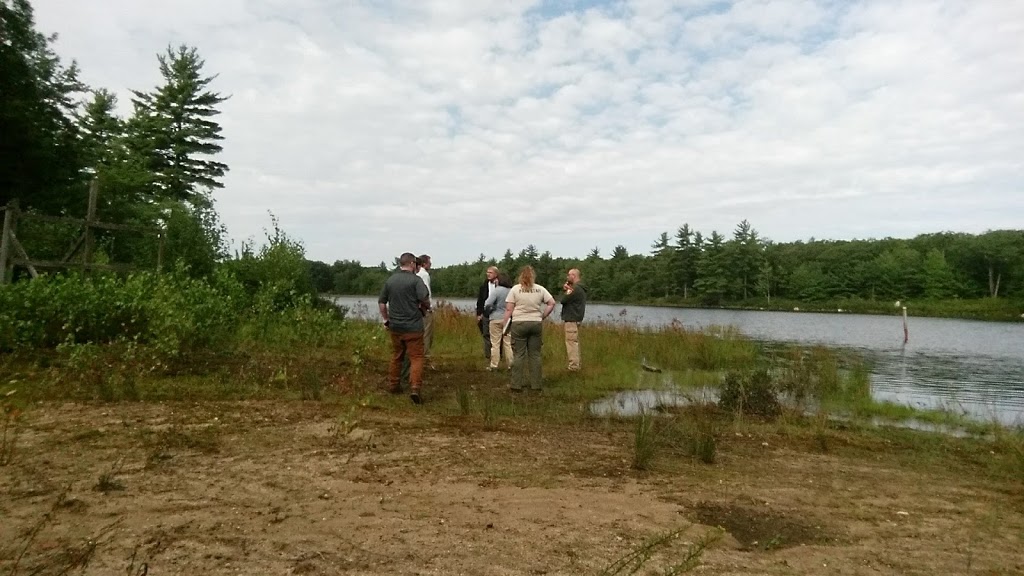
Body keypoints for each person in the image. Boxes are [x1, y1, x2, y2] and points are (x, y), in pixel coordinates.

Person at [378, 252, 431, 404]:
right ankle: (415, 388)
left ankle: (394, 384)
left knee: (397, 355)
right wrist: (425, 308)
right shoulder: (416, 280)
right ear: (413, 264)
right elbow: (424, 298)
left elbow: (382, 303)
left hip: (395, 326)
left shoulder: (390, 280)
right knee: (416, 357)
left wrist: (386, 320)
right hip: (413, 326)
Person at [502, 265, 555, 392]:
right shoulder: (540, 289)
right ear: (533, 276)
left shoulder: (515, 289)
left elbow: (509, 309)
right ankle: (536, 385)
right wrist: (543, 315)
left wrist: (504, 324)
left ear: (521, 276)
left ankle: (516, 384)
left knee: (519, 354)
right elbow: (551, 303)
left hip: (519, 323)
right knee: (535, 355)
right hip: (535, 323)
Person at [483, 272, 514, 371]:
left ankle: (494, 364)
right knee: (508, 343)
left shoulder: (497, 291)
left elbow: (487, 303)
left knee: (495, 343)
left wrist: (490, 310)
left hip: (495, 318)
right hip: (508, 319)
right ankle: (511, 364)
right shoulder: (512, 291)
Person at [560, 268, 587, 372]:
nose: (567, 277)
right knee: (574, 342)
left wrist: (567, 289)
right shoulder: (581, 288)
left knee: (571, 342)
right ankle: (577, 364)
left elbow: (563, 300)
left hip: (571, 319)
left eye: (569, 275)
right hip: (577, 318)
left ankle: (574, 367)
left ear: (574, 276)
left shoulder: (574, 289)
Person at [475, 266, 499, 361]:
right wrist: (479, 313)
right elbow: (480, 300)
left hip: (498, 314)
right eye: (487, 272)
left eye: (490, 272)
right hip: (486, 314)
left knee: (497, 336)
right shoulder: (484, 286)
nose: (488, 274)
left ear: (496, 274)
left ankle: (498, 355)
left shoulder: (501, 286)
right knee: (486, 334)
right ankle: (488, 355)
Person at [416, 254, 434, 361]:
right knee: (427, 331)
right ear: (424, 263)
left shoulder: (417, 274)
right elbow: (426, 292)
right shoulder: (424, 275)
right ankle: (425, 353)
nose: (430, 264)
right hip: (425, 308)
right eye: (429, 262)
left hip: (418, 308)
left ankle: (420, 352)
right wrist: (429, 306)